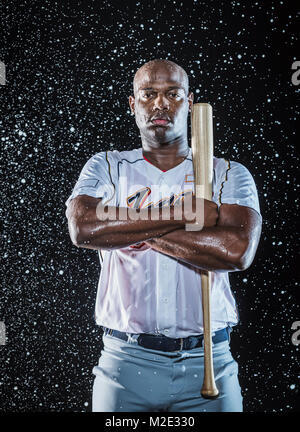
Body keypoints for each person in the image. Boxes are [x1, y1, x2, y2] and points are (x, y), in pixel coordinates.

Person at [65, 59, 262, 412]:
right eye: (148, 94)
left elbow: (236, 252)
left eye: (172, 94)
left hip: (209, 360)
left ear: (189, 102)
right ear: (133, 104)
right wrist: (185, 215)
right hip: (124, 364)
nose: (160, 104)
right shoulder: (107, 166)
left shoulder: (227, 172)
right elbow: (83, 228)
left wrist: (126, 229)